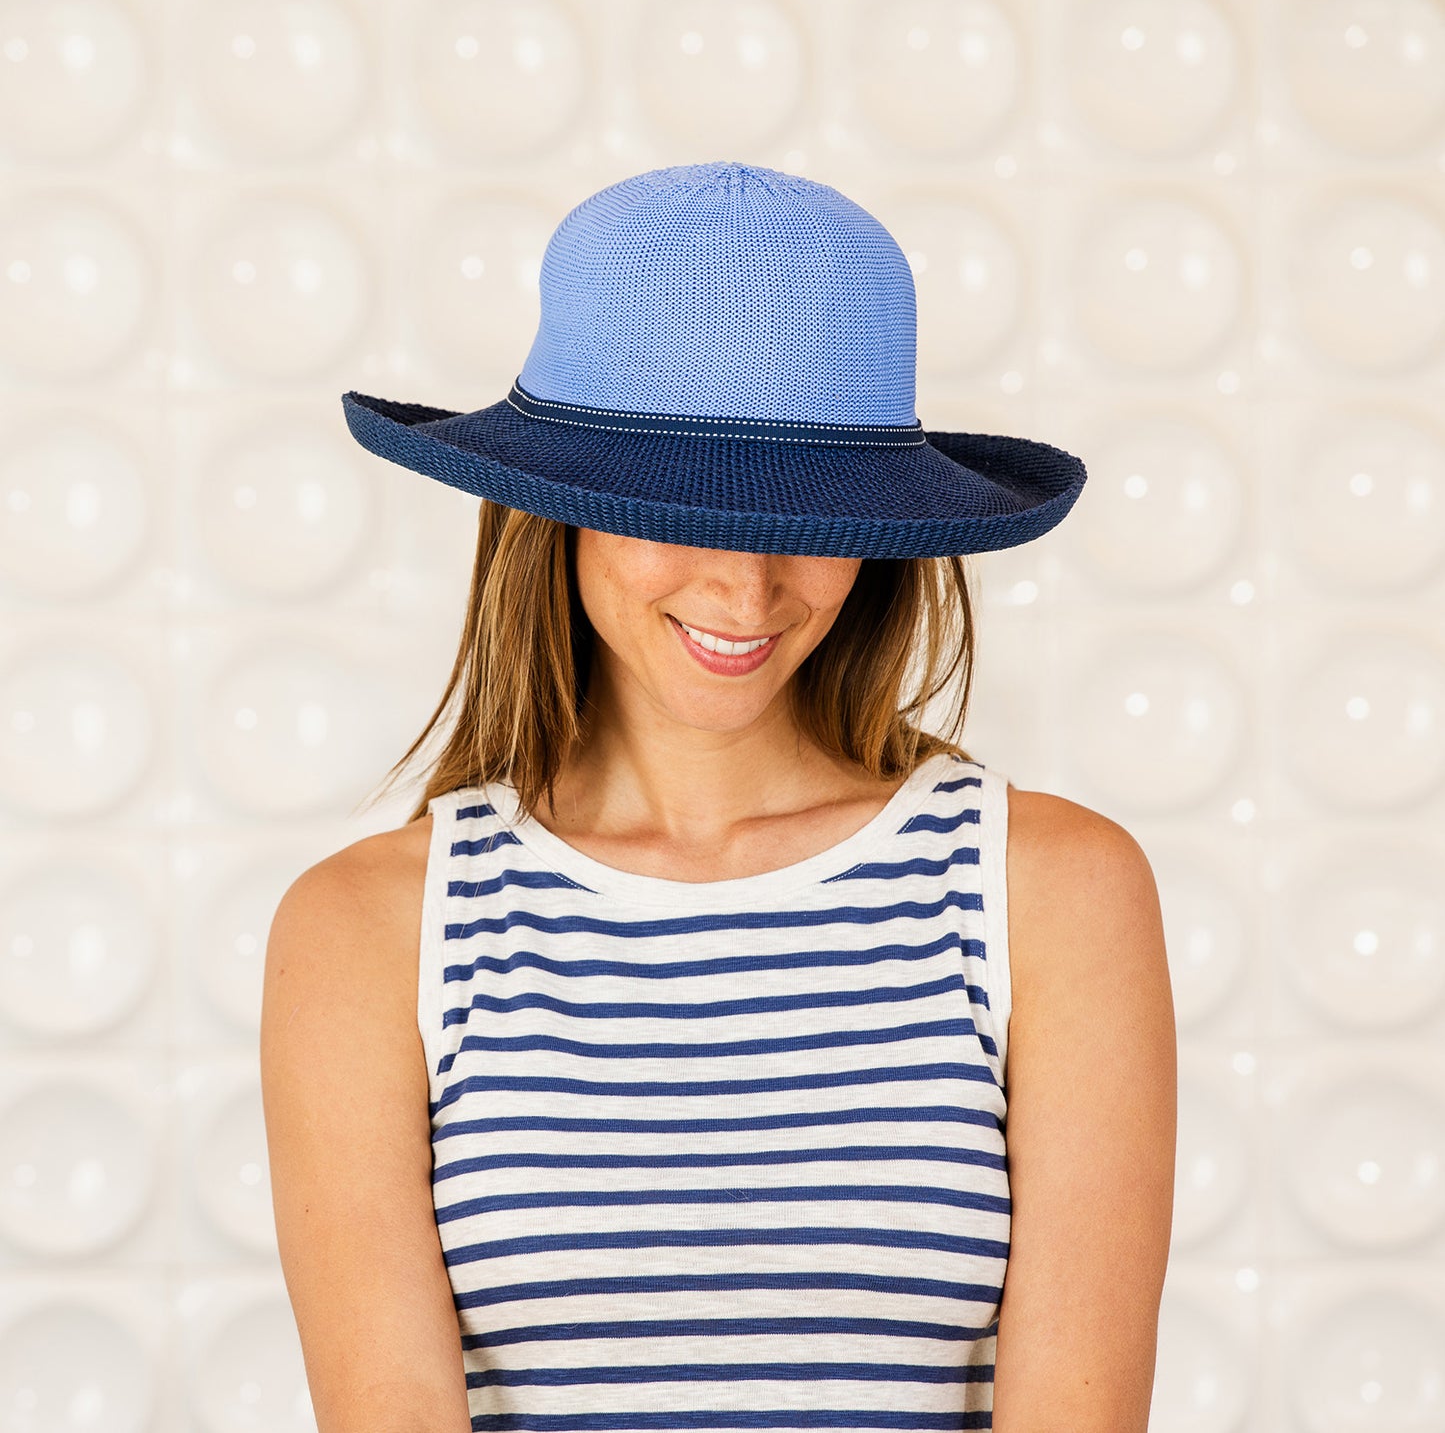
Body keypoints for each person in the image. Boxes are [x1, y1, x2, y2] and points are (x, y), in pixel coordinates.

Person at [260, 161, 1176, 1433]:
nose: (745, 596)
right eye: (675, 511)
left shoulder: (1050, 895)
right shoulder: (368, 932)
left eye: (806, 517)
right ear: (553, 516)